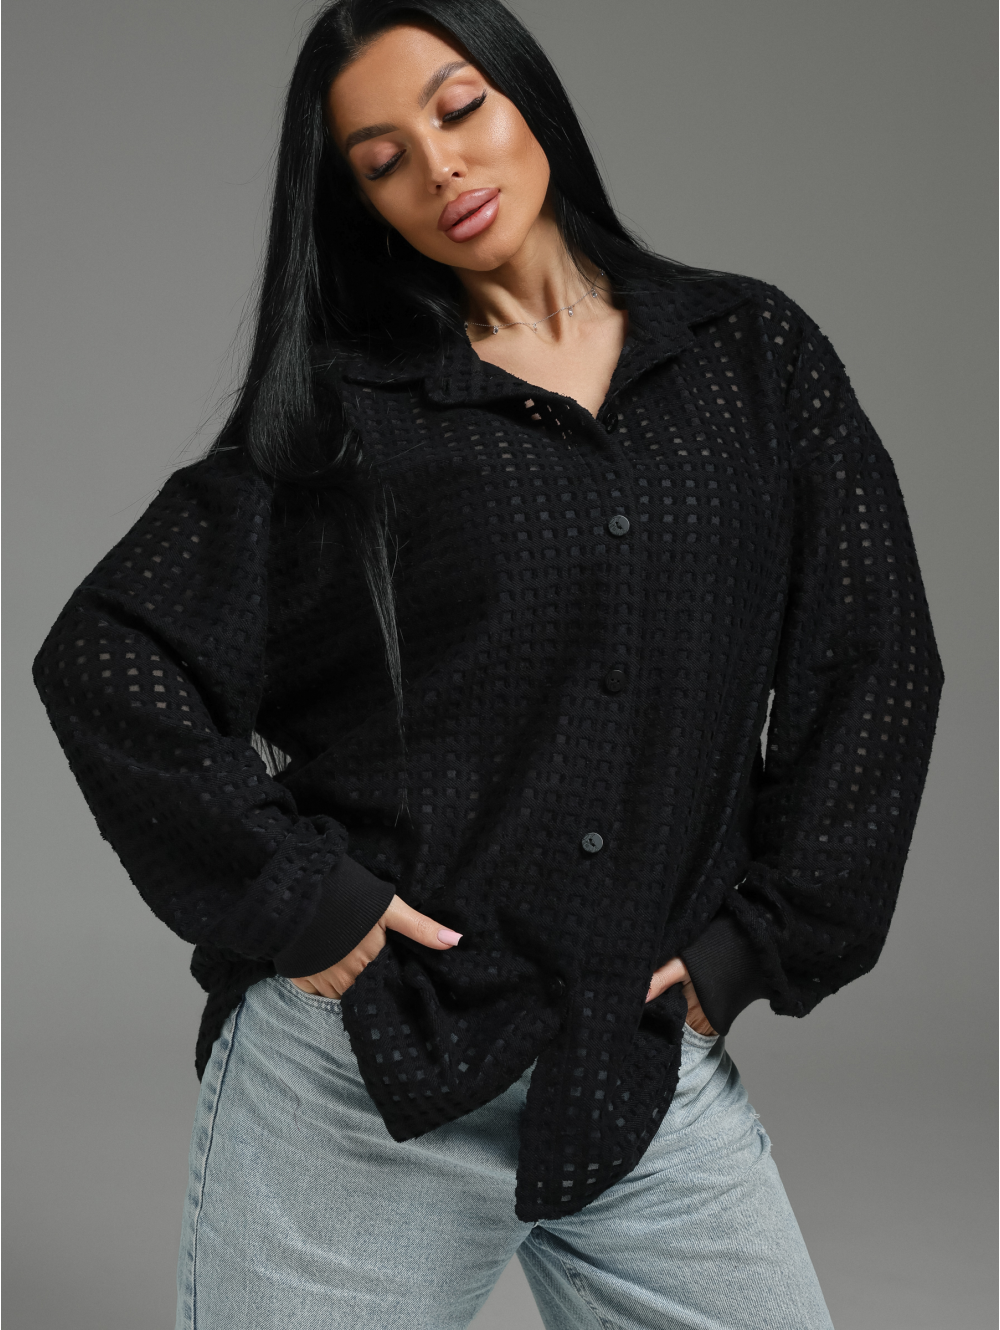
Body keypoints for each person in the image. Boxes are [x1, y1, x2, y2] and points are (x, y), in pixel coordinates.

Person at [32, 1, 943, 1326]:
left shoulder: (753, 358)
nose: (443, 167)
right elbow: (111, 653)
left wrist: (760, 944)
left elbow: (876, 663)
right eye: (384, 159)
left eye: (459, 108)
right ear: (359, 203)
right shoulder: (349, 416)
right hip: (365, 1080)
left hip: (635, 1070)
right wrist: (302, 900)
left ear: (526, 96)